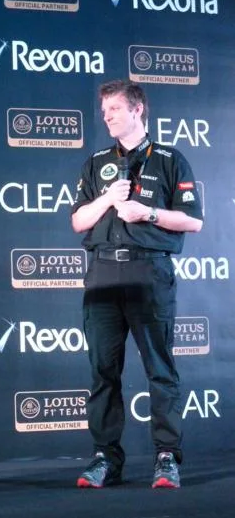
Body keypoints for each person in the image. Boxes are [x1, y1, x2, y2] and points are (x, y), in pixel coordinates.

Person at [71, 80, 203, 489]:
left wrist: (147, 213)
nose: (106, 116)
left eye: (113, 109)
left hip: (149, 274)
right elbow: (78, 221)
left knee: (160, 371)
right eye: (104, 110)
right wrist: (108, 199)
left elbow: (193, 221)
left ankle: (166, 457)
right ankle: (105, 459)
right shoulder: (96, 163)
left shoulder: (170, 159)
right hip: (102, 276)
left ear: (137, 109)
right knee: (102, 372)